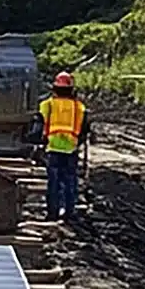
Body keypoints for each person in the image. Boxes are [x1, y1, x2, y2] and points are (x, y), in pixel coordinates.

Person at [39, 71, 88, 222]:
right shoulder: (79, 107)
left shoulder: (47, 105)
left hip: (53, 148)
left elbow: (39, 125)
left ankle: (52, 212)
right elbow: (84, 129)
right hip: (71, 149)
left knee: (53, 182)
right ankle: (69, 212)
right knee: (70, 181)